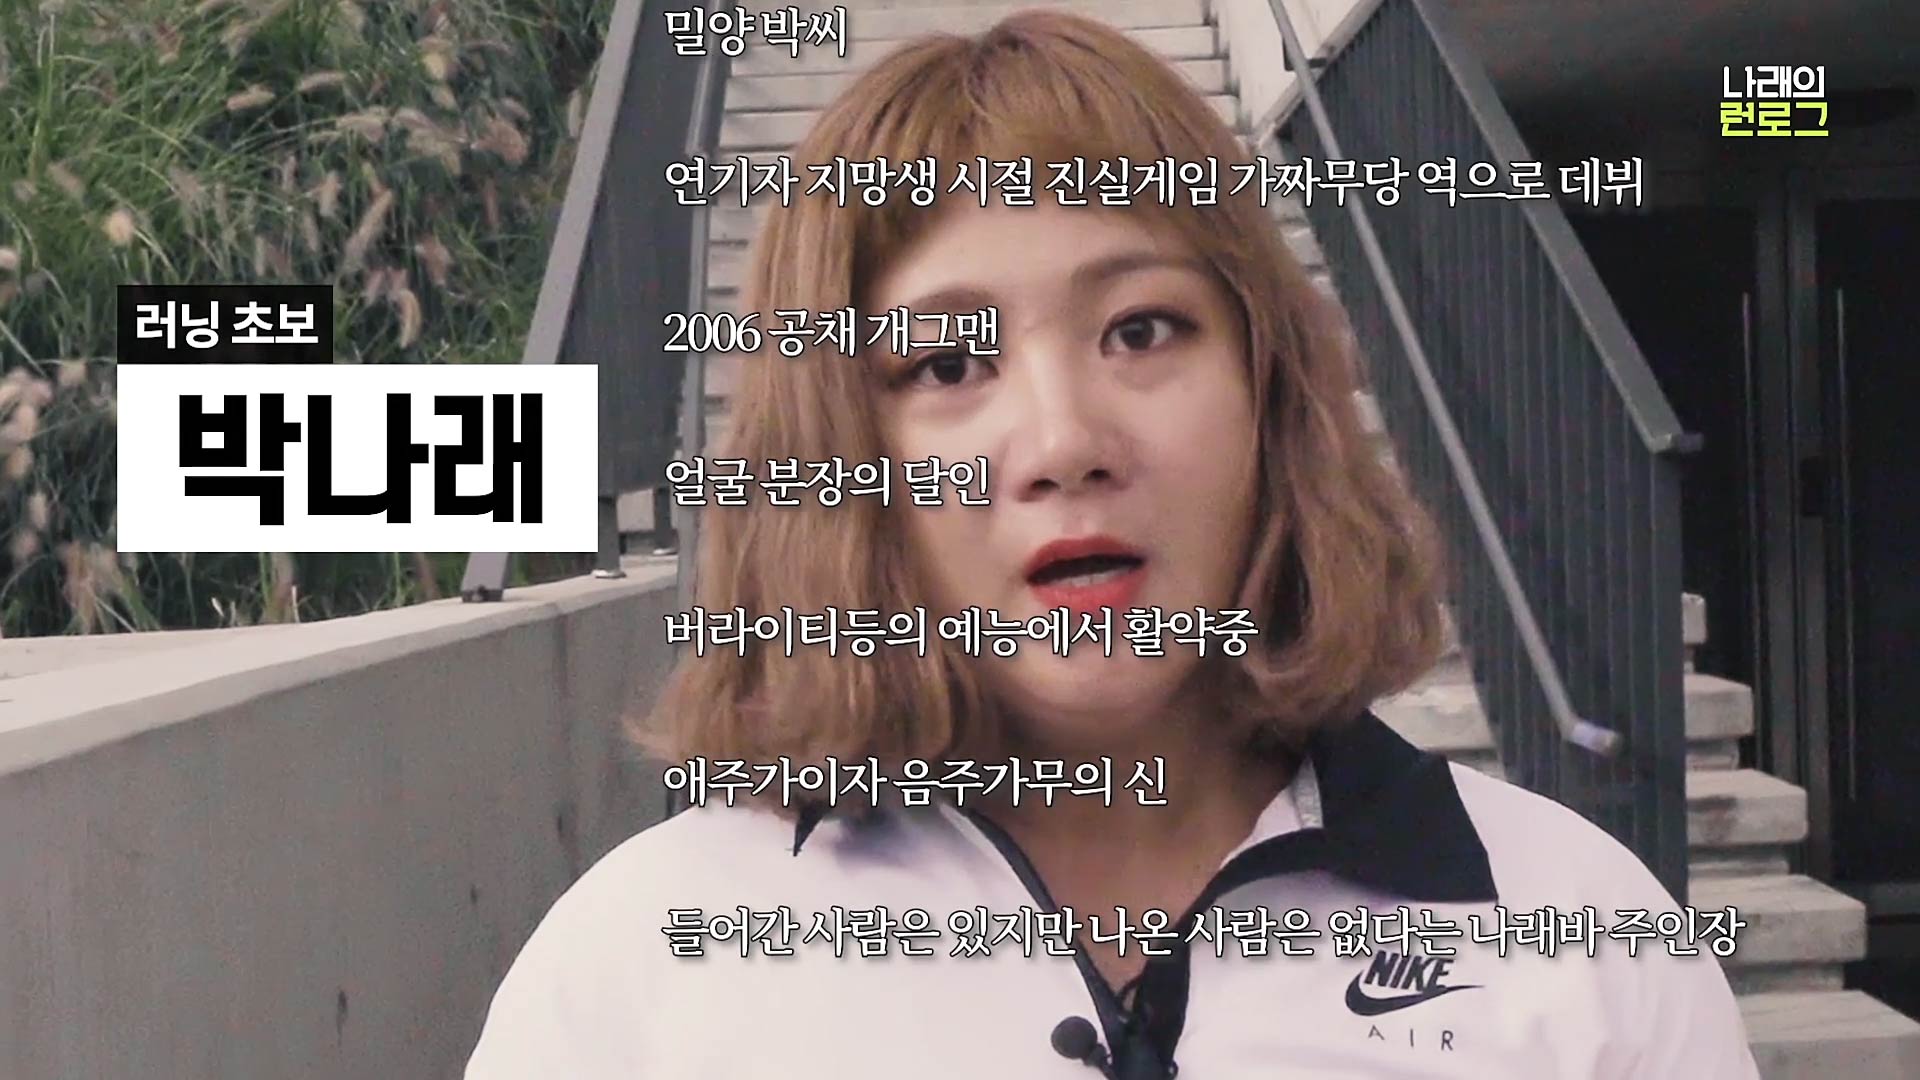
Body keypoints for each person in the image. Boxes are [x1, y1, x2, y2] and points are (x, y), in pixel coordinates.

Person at [466, 11, 1759, 1078]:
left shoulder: (1588, 943)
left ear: (1270, 391)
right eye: (947, 363)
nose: (1064, 441)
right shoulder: (639, 978)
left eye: (1141, 330)